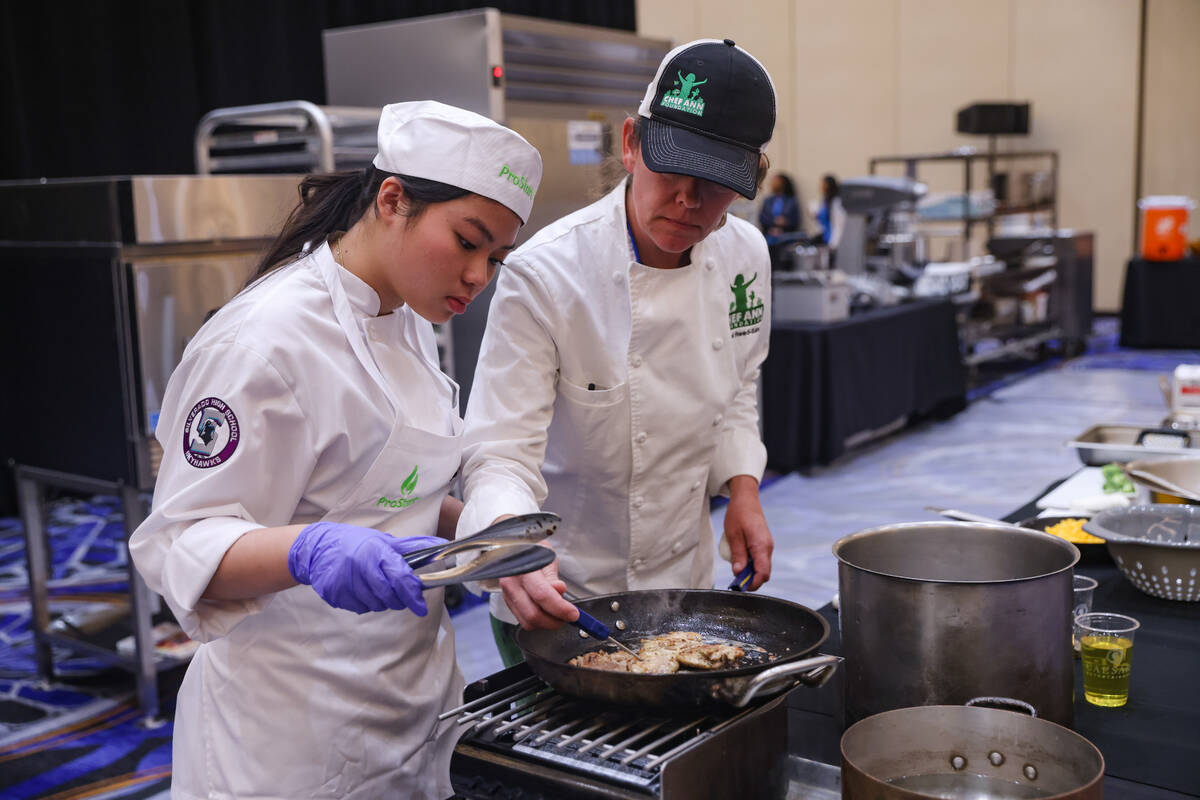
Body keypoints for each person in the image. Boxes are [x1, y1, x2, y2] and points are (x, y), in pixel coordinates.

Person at [128, 101, 542, 799]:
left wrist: (485, 542)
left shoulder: (404, 315)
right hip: (289, 734)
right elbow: (181, 544)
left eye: (495, 257)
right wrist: (307, 552)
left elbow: (384, 489)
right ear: (392, 199)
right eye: (467, 242)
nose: (479, 276)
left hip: (412, 705)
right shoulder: (265, 341)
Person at [455, 38, 777, 664]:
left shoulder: (747, 256)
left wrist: (743, 487)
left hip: (684, 588)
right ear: (630, 143)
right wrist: (513, 548)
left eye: (715, 183)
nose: (689, 200)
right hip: (560, 593)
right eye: (672, 168)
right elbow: (497, 453)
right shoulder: (546, 276)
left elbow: (739, 383)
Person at [758, 171, 802, 242]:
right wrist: (774, 222)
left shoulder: (792, 201)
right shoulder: (768, 200)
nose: (772, 183)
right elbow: (762, 218)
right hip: (768, 235)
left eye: (775, 181)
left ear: (783, 183)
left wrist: (786, 223)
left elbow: (796, 221)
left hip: (786, 238)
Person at [815, 173, 846, 248]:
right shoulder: (825, 200)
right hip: (824, 236)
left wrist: (834, 244)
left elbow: (838, 224)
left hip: (832, 239)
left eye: (824, 184)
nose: (822, 186)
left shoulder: (836, 202)